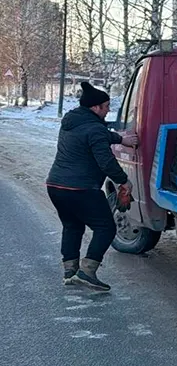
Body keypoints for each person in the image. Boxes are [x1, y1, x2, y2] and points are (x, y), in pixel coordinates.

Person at [46, 82, 138, 291]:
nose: (108, 110)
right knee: (106, 228)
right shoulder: (94, 128)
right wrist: (124, 181)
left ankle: (69, 271)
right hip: (81, 188)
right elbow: (105, 161)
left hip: (55, 185)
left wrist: (120, 138)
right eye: (105, 106)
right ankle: (87, 272)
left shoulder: (72, 121)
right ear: (95, 108)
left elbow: (99, 135)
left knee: (72, 226)